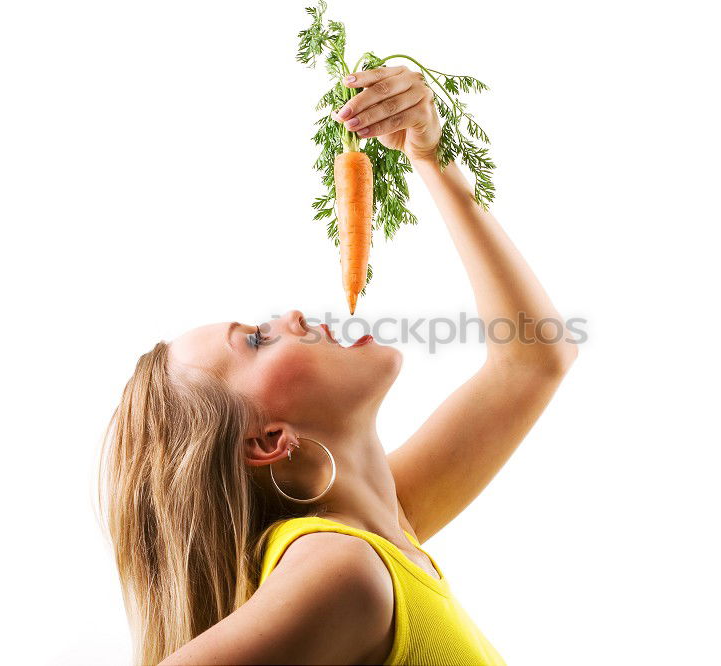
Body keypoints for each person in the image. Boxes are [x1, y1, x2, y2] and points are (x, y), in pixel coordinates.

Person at [99, 64, 578, 666]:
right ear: (270, 439)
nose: (289, 315)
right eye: (254, 341)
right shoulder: (342, 568)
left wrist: (431, 155)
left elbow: (533, 360)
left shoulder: (383, 528)